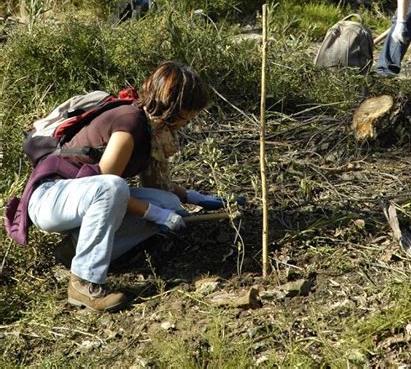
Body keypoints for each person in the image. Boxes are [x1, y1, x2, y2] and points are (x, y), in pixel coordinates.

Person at [7, 62, 240, 312]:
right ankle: (84, 282)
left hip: (80, 199)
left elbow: (158, 187)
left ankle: (75, 248)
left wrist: (196, 198)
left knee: (167, 202)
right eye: (189, 111)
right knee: (115, 188)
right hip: (49, 199)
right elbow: (106, 186)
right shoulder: (129, 122)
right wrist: (154, 214)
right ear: (175, 106)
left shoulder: (153, 131)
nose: (190, 119)